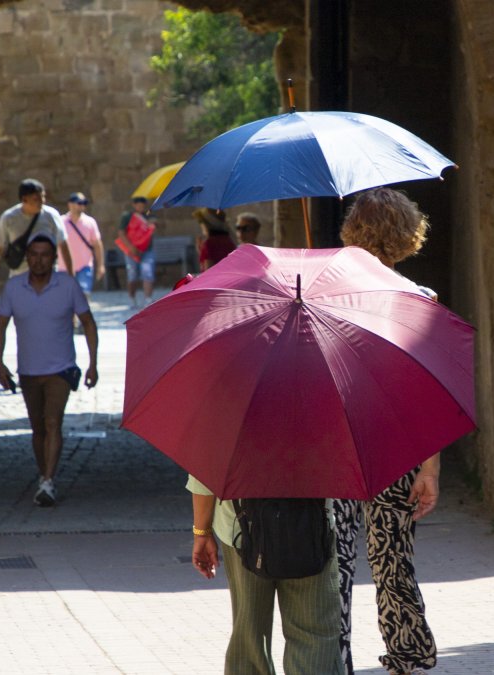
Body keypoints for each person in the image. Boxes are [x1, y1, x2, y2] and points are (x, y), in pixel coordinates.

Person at [334, 187, 440, 675]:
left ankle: (332, 657)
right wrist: (430, 467)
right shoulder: (421, 301)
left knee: (333, 564)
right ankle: (408, 654)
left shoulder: (327, 297)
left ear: (354, 231)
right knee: (392, 557)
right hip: (396, 446)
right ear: (405, 234)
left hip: (336, 440)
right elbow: (429, 396)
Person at [187, 480, 346, 674]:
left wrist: (202, 532)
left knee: (249, 634)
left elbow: (205, 471)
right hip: (311, 527)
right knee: (314, 638)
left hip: (243, 530)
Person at [0, 231, 98, 506]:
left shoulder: (67, 285)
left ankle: (48, 481)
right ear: (27, 258)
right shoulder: (14, 288)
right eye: (34, 255)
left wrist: (93, 363)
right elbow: (0, 326)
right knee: (38, 428)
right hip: (28, 370)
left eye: (45, 255)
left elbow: (87, 321)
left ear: (53, 259)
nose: (39, 260)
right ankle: (44, 475)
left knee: (53, 422)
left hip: (60, 369)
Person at [0, 178, 74, 299]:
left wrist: (71, 277)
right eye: (36, 199)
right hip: (20, 279)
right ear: (24, 199)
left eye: (43, 197)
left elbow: (63, 245)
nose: (42, 201)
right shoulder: (9, 218)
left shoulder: (51, 216)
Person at [59, 192, 105, 304]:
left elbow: (97, 245)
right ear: (70, 204)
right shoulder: (60, 222)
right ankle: (72, 320)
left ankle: (82, 320)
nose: (82, 206)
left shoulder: (90, 222)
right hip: (64, 268)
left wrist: (100, 265)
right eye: (79, 203)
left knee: (84, 294)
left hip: (85, 266)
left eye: (84, 203)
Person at [117, 196, 158, 308]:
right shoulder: (127, 216)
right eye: (138, 205)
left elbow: (154, 224)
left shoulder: (149, 215)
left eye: (142, 205)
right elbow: (121, 233)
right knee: (132, 275)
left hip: (146, 250)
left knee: (148, 273)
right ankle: (132, 298)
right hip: (131, 251)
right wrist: (131, 247)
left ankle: (148, 299)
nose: (140, 207)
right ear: (134, 205)